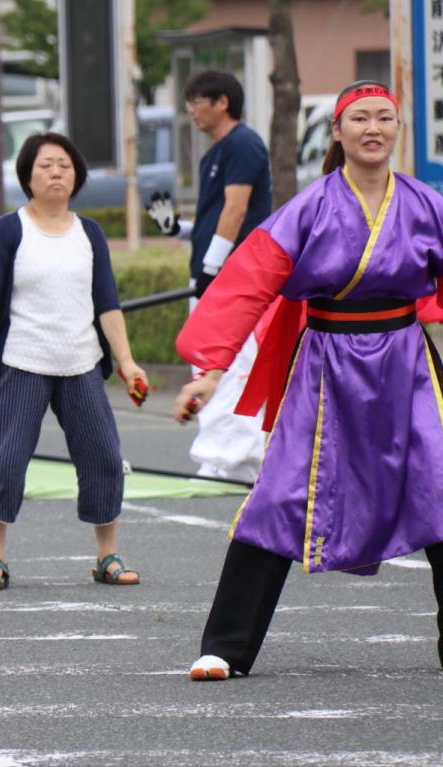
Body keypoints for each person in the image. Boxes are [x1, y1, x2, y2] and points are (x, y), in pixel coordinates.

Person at [174, 81, 443, 681]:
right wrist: (211, 370)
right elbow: (249, 284)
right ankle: (226, 647)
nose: (373, 129)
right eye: (359, 119)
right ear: (338, 132)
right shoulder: (310, 207)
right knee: (280, 494)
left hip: (408, 365)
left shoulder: (426, 205)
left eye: (384, 118)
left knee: (440, 487)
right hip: (326, 365)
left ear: (398, 129)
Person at [0, 131, 148, 591]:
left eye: (65, 166)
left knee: (104, 458)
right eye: (46, 165)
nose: (56, 173)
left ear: (77, 176)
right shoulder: (8, 230)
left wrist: (127, 362)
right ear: (28, 176)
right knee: (3, 461)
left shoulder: (90, 234)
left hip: (80, 362)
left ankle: (107, 555)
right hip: (21, 361)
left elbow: (107, 304)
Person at [146, 70, 273, 483]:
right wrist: (175, 229)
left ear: (222, 102)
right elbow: (212, 220)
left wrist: (212, 267)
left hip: (236, 278)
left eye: (196, 101)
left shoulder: (244, 144)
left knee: (233, 367)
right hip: (213, 276)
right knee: (207, 366)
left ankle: (237, 461)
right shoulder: (213, 154)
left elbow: (237, 209)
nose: (190, 110)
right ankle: (218, 457)